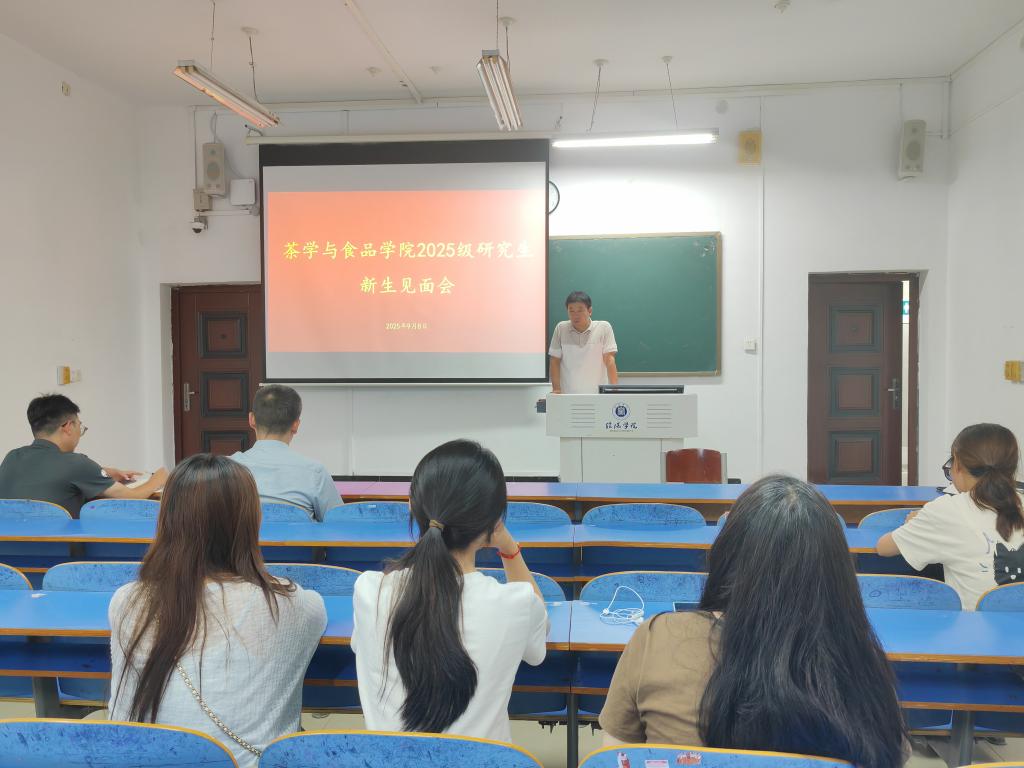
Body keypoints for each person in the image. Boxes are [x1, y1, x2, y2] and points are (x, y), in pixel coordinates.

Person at [600, 475, 907, 768]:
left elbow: (611, 758)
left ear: (727, 553)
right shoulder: (862, 666)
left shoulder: (658, 639)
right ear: (838, 572)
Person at [108, 454, 326, 768]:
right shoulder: (291, 604)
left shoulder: (127, 600)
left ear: (166, 520)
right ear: (251, 521)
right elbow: (315, 613)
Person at [352, 439, 548, 741]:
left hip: (386, 761)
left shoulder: (370, 592)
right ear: (494, 523)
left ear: (411, 506)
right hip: (482, 762)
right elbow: (536, 648)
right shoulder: (516, 603)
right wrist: (509, 549)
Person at [876, 423, 1024, 610]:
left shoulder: (945, 510)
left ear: (958, 464)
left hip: (974, 626)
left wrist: (917, 524)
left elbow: (884, 548)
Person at [0, 394, 167, 517]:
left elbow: (44, 475)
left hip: (9, 551)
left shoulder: (12, 457)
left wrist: (102, 473)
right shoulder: (75, 463)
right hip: (62, 552)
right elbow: (131, 498)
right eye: (80, 427)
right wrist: (157, 479)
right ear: (68, 427)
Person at [230, 384, 341, 521]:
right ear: (295, 425)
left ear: (252, 419)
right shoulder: (315, 472)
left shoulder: (226, 468)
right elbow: (339, 523)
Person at [549, 290, 618, 394]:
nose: (575, 315)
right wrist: (556, 389)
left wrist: (615, 390)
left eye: (580, 310)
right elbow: (554, 360)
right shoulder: (561, 328)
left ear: (590, 311)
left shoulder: (604, 328)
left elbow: (609, 359)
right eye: (571, 311)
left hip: (598, 394)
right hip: (567, 394)